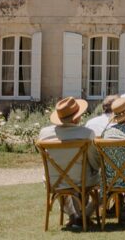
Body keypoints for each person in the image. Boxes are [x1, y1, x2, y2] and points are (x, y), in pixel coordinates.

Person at [38, 97, 99, 229]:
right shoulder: (86, 133)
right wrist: (96, 169)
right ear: (76, 118)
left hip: (53, 180)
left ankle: (73, 215)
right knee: (104, 181)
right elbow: (94, 161)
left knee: (64, 183)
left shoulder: (44, 133)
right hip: (81, 180)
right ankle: (84, 215)